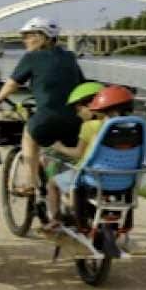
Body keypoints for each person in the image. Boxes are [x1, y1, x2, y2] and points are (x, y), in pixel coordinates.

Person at [0, 17, 84, 196]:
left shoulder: (32, 57)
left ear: (43, 37)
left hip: (48, 117)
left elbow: (12, 83)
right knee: (57, 159)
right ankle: (70, 201)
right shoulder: (70, 57)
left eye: (28, 36)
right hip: (74, 120)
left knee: (30, 134)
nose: (24, 40)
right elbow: (81, 83)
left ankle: (30, 183)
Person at [39, 81, 103, 232]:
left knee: (52, 184)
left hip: (88, 178)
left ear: (90, 106)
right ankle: (71, 202)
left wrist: (59, 147)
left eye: (78, 108)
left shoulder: (88, 126)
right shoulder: (112, 125)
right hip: (116, 178)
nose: (77, 113)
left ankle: (55, 219)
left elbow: (78, 153)